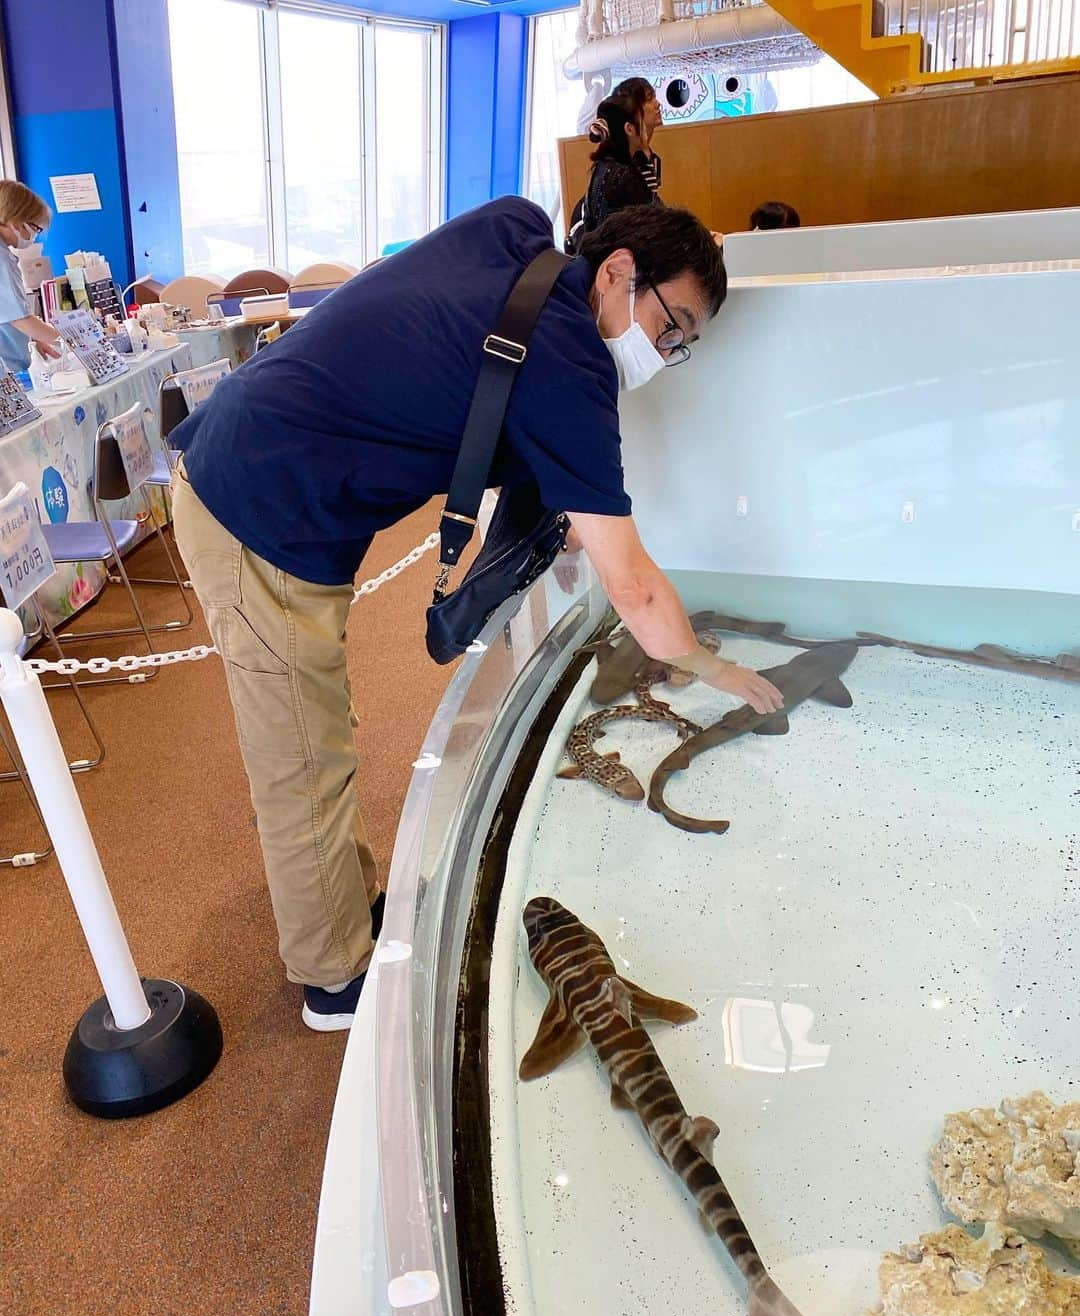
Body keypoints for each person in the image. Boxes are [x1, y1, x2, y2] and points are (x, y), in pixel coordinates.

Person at [170, 196, 783, 1032]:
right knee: (299, 758)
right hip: (257, 508)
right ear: (615, 271)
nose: (664, 352)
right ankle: (332, 978)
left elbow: (469, 386)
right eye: (668, 326)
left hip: (280, 478)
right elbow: (634, 589)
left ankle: (347, 909)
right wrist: (715, 669)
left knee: (319, 730)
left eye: (682, 345)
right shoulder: (567, 361)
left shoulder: (518, 240)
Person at [565, 94, 653, 255]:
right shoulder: (625, 177)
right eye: (642, 120)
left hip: (599, 260)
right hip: (617, 263)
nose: (646, 126)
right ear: (629, 129)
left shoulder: (603, 166)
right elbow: (653, 221)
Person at [0, 180, 61, 372]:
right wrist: (74, 341)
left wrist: (37, 337)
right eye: (35, 228)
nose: (34, 235)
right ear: (16, 220)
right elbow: (19, 318)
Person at [611, 76, 664, 196]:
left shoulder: (649, 156)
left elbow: (652, 202)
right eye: (649, 99)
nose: (658, 104)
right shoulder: (622, 169)